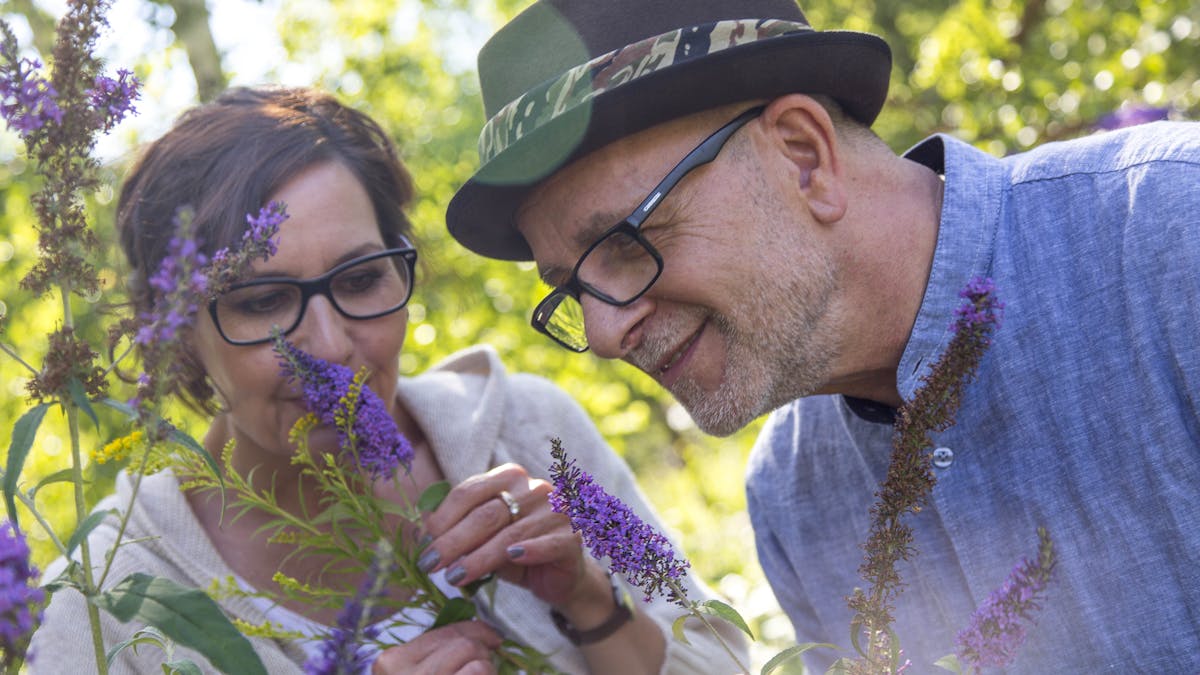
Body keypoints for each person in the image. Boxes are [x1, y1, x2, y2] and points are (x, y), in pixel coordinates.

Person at [443, 0, 1200, 671]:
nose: (606, 332)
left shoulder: (1170, 238)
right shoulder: (793, 493)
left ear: (804, 155)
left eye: (623, 238)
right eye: (572, 289)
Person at [30, 86, 745, 674]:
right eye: (262, 300)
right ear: (177, 330)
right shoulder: (112, 597)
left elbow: (722, 659)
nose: (332, 345)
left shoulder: (527, 430)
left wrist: (591, 601)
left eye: (363, 277)